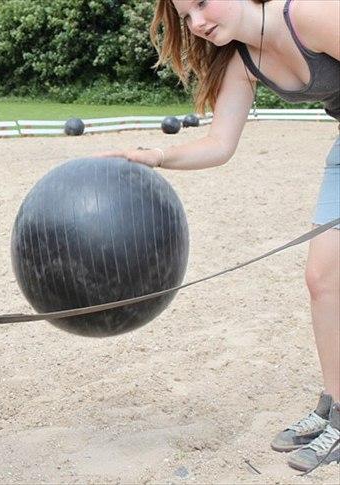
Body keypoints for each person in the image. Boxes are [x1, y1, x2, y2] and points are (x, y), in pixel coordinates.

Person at [99, 0, 339, 472]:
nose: (198, 23)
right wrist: (155, 156)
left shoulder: (309, 14)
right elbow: (219, 145)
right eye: (187, 16)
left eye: (203, 4)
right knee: (322, 281)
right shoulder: (243, 60)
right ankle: (336, 408)